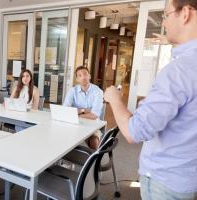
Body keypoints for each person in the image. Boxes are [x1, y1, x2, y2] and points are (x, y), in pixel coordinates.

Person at [104, 0, 197, 199]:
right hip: (188, 176)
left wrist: (114, 99)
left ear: (186, 13)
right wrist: (173, 41)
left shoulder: (178, 72)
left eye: (166, 15)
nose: (163, 23)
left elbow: (134, 131)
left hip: (165, 181)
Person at [63, 66, 103, 149]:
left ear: (89, 76)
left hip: (92, 123)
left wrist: (75, 114)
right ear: (77, 79)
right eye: (80, 75)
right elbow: (65, 110)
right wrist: (85, 110)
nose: (83, 77)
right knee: (60, 134)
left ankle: (93, 160)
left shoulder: (97, 91)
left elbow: (94, 115)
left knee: (94, 141)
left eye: (85, 74)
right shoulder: (72, 91)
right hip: (74, 123)